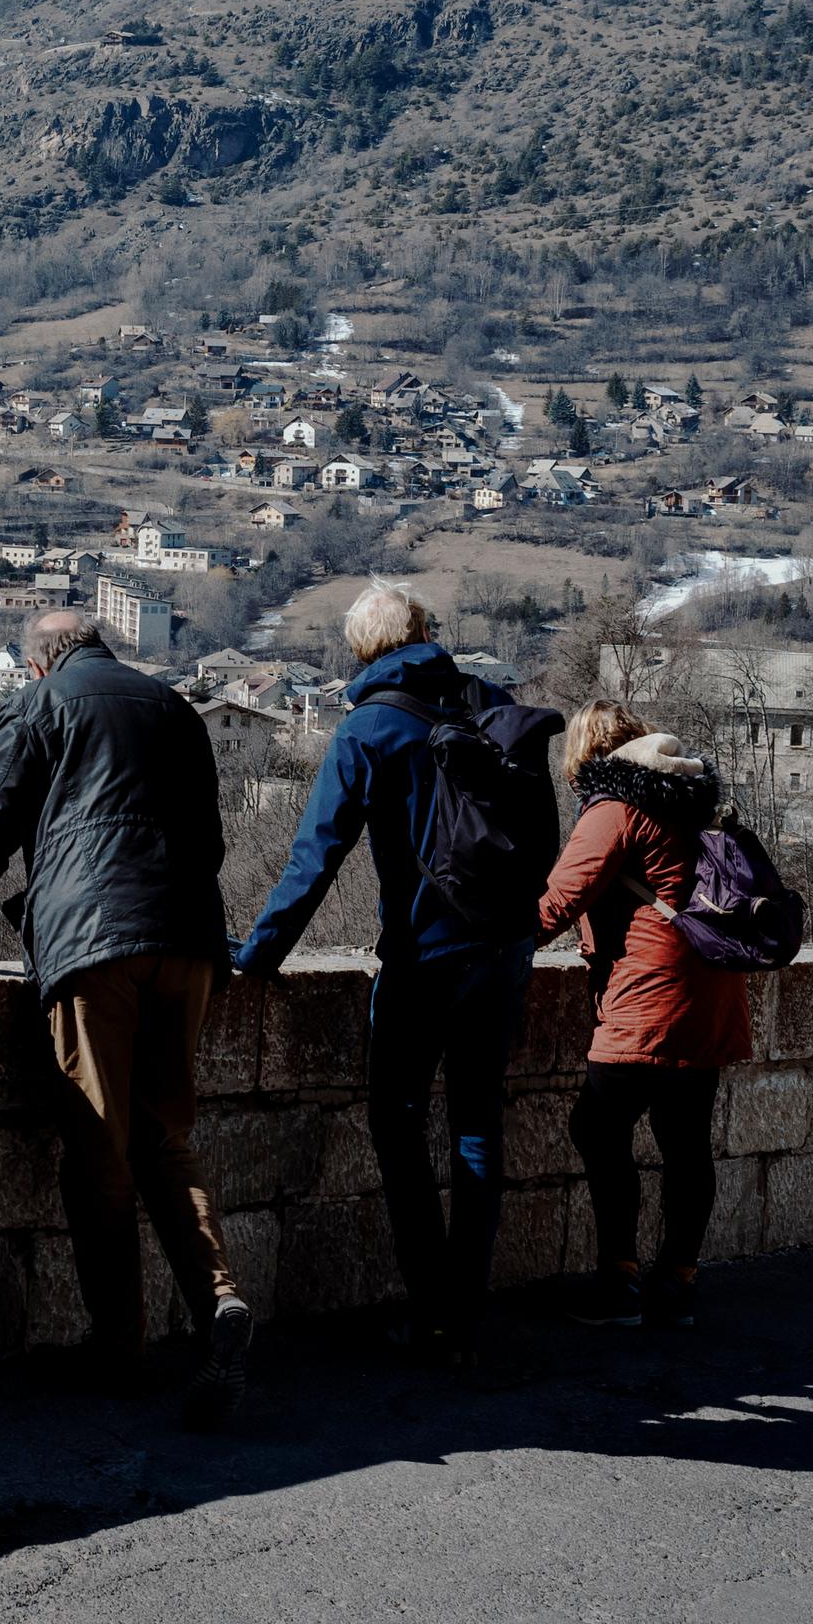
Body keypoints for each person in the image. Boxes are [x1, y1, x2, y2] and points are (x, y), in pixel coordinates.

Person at [0, 608, 254, 1426]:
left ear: (36, 662)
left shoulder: (41, 705)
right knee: (167, 1137)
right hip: (189, 939)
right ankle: (220, 1304)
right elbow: (212, 842)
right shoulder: (173, 707)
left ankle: (120, 1350)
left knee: (101, 1145)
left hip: (95, 944)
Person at [233, 580, 563, 1362]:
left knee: (399, 1124)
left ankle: (433, 1312)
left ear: (362, 650)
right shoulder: (491, 703)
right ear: (424, 631)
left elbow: (314, 860)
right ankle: (466, 1309)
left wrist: (257, 957)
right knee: (478, 1125)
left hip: (423, 958)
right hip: (503, 951)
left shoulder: (369, 729)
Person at [537, 699, 751, 1328]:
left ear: (584, 754)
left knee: (597, 1128)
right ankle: (678, 1280)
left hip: (649, 995)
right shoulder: (688, 799)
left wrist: (478, 937)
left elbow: (556, 902)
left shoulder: (616, 808)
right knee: (686, 1141)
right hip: (712, 990)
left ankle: (619, 1281)